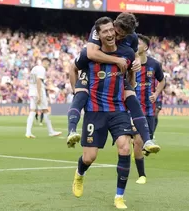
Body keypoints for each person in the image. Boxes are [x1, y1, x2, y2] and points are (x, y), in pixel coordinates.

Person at [67, 12, 160, 155]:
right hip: (93, 70)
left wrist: (135, 63)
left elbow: (134, 55)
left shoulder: (132, 38)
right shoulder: (100, 29)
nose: (118, 37)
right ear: (114, 24)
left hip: (116, 74)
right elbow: (91, 53)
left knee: (132, 97)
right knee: (80, 95)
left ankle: (148, 140)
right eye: (119, 32)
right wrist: (117, 60)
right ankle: (71, 131)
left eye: (124, 35)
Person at [70, 17, 135, 209]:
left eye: (111, 31)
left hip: (118, 109)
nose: (110, 34)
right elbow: (72, 68)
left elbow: (130, 71)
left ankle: (119, 197)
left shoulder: (128, 52)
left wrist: (130, 86)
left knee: (125, 147)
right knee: (89, 157)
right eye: (105, 31)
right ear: (99, 33)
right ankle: (79, 174)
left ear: (116, 31)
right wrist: (77, 90)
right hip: (94, 110)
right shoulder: (89, 53)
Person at [131, 34, 166, 184]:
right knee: (138, 140)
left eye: (138, 43)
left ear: (145, 47)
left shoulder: (154, 64)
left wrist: (156, 93)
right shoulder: (130, 63)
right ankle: (142, 175)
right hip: (133, 107)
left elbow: (162, 80)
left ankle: (141, 147)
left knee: (145, 140)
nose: (135, 45)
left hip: (149, 109)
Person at [25, 58, 61, 138]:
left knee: (32, 111)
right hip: (38, 92)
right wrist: (39, 94)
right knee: (45, 110)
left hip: (32, 91)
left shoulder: (34, 68)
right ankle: (51, 131)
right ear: (45, 62)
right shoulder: (41, 69)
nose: (48, 66)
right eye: (48, 64)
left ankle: (28, 132)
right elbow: (38, 81)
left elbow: (33, 81)